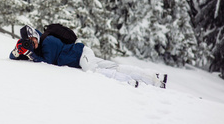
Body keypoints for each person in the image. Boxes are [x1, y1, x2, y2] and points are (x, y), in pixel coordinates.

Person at [10, 25, 167, 88]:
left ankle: (131, 83)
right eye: (28, 42)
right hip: (82, 55)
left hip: (81, 55)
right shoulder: (40, 46)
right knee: (114, 66)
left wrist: (30, 53)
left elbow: (47, 63)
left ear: (34, 35)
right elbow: (13, 57)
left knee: (94, 72)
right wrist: (19, 51)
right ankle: (154, 78)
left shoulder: (47, 41)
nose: (32, 44)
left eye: (31, 40)